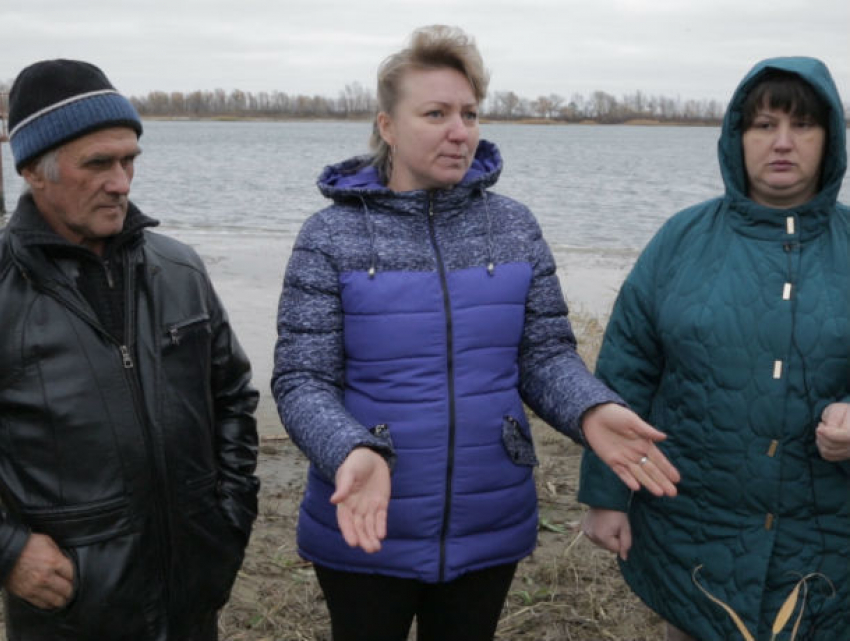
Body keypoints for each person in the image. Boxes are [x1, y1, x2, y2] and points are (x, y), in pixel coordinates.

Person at [272, 25, 679, 641]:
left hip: (490, 512)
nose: (459, 131)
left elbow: (544, 356)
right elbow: (302, 380)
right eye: (435, 113)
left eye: (469, 113)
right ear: (387, 125)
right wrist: (349, 450)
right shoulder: (330, 237)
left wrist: (592, 410)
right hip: (366, 513)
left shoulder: (513, 226)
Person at [579, 56, 850, 640]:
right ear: (736, 135)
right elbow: (625, 370)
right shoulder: (681, 239)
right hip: (695, 528)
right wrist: (606, 495)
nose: (781, 143)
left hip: (828, 540)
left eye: (802, 125)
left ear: (830, 137)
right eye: (763, 125)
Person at [0, 59, 260, 640]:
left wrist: (229, 522)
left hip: (193, 601)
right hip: (71, 615)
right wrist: (10, 550)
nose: (121, 182)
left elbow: (235, 401)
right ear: (34, 171)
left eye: (129, 160)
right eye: (98, 164)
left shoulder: (179, 269)